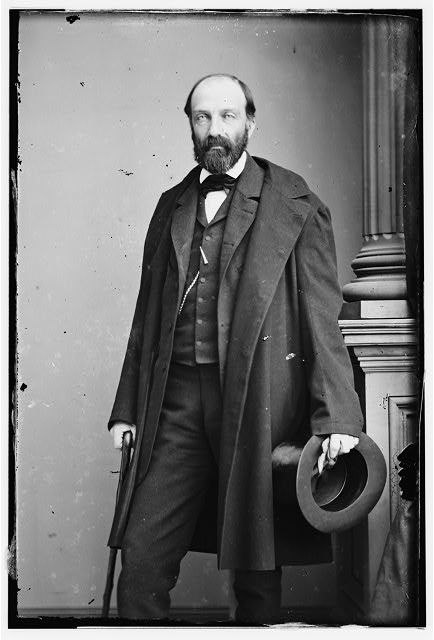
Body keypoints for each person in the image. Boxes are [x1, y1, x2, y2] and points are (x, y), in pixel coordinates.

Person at [107, 73, 364, 623]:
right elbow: (146, 315)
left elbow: (323, 319)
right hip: (177, 401)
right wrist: (127, 408)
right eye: (202, 117)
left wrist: (338, 417)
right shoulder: (171, 205)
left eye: (227, 116)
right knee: (143, 558)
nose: (214, 129)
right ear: (190, 125)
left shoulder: (295, 203)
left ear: (250, 122)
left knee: (257, 567)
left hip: (255, 402)